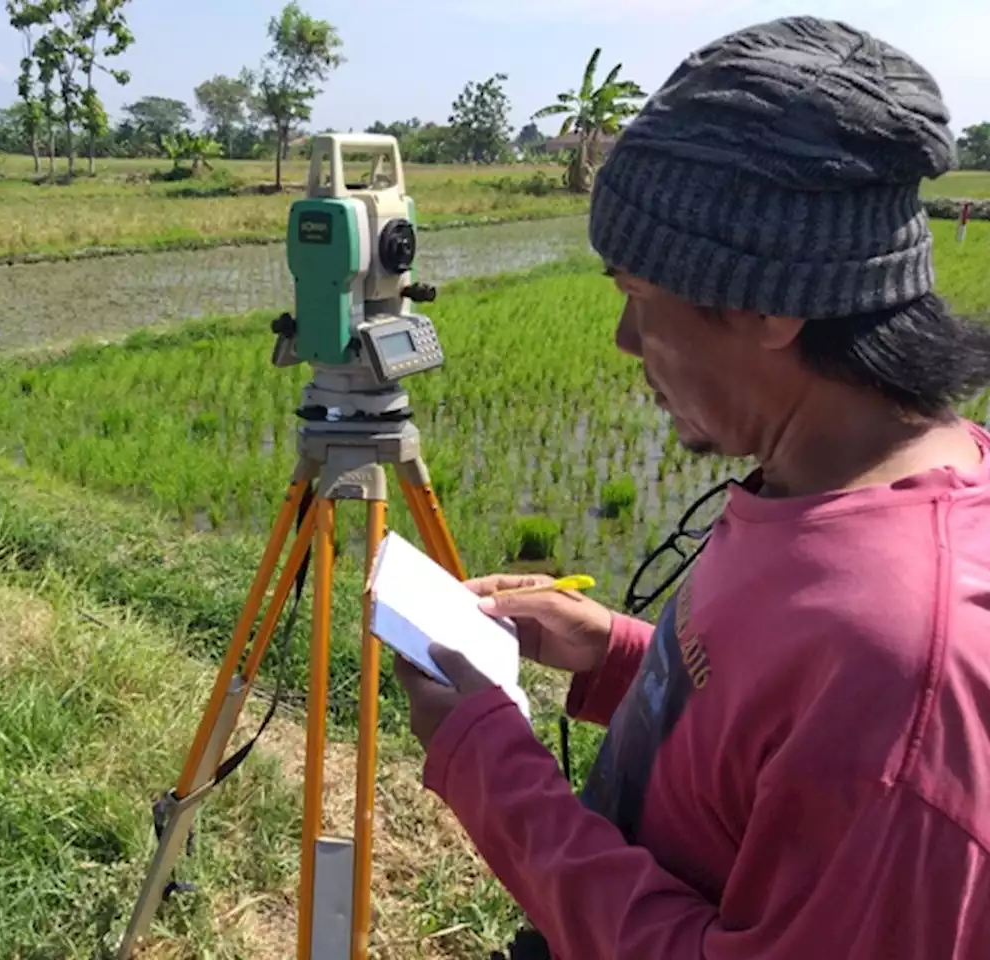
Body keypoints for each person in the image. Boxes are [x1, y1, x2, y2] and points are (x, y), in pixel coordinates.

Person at [393, 15, 990, 959]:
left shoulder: (903, 676)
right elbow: (761, 742)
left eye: (637, 294)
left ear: (769, 304)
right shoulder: (810, 485)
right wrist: (617, 656)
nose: (628, 345)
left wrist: (482, 760)